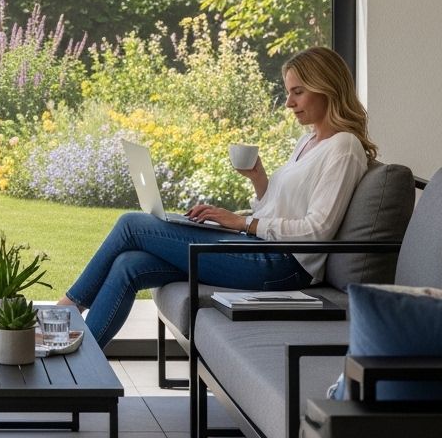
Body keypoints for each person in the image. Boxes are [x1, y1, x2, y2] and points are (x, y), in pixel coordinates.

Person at [58, 47, 375, 347]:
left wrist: (242, 222)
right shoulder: (309, 142)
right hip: (265, 251)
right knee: (130, 264)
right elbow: (280, 211)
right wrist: (260, 181)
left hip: (285, 265)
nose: (289, 103)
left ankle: (64, 311)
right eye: (288, 92)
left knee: (131, 225)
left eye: (298, 92)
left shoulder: (344, 147)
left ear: (327, 88)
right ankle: (81, 361)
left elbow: (317, 230)